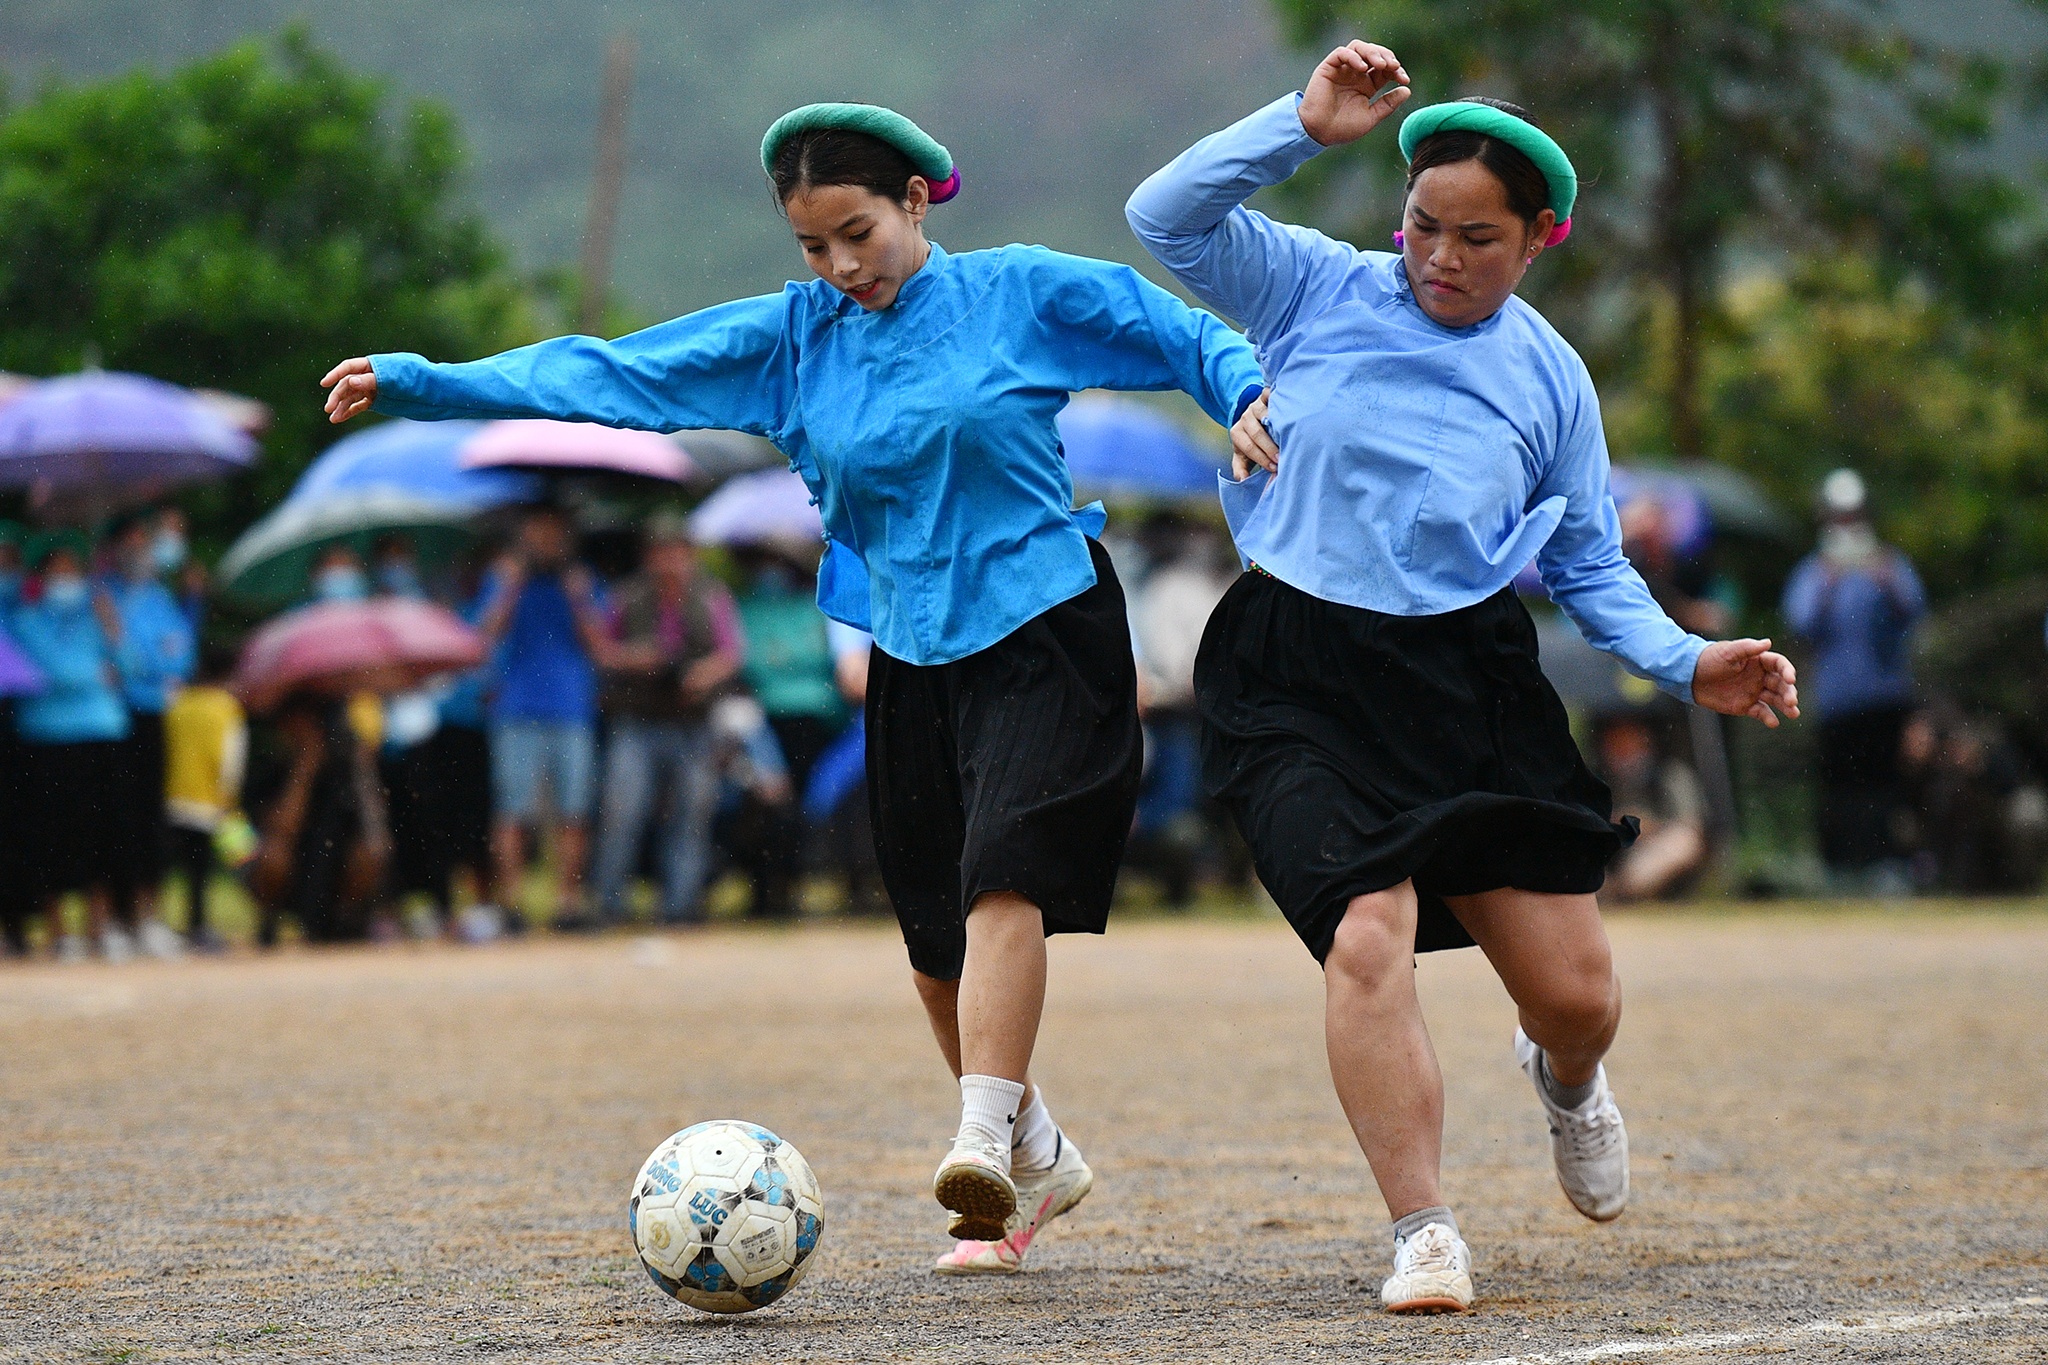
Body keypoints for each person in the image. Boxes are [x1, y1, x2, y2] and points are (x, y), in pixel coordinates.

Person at [321, 99, 1264, 1276]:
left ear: (914, 201)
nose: (841, 266)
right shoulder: (790, 340)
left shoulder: (1015, 294)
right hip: (909, 648)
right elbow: (610, 372)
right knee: (931, 943)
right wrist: (425, 381)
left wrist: (1242, 392)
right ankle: (1038, 1152)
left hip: (1045, 627)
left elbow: (1174, 331)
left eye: (858, 234)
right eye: (814, 246)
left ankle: (979, 1141)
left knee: (1001, 873)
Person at [1129, 41, 1798, 1313]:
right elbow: (1165, 217)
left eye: (1476, 238)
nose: (1437, 257)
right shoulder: (1312, 288)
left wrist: (1684, 660)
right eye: (1422, 225)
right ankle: (1422, 1230)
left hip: (1463, 680)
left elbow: (1588, 566)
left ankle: (1565, 1080)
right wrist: (1298, 124)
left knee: (1576, 998)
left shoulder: (1549, 382)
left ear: (1537, 240)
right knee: (1364, 935)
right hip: (1292, 665)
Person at [590, 512, 744, 926]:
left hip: (693, 720)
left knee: (692, 815)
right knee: (623, 811)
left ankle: (681, 905)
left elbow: (731, 654)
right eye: (662, 553)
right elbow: (603, 651)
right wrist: (639, 659)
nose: (670, 562)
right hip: (638, 719)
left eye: (677, 553)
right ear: (649, 556)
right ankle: (609, 904)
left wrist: (702, 675)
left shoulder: (711, 597)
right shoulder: (627, 598)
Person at [1782, 468, 1925, 888]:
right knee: (1840, 788)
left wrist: (1885, 579)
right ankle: (1841, 870)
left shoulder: (1889, 564)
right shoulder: (1814, 571)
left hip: (1885, 697)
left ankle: (1887, 866)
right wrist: (1829, 582)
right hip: (1836, 703)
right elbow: (1800, 622)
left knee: (1885, 786)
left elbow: (1914, 613)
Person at [470, 506, 611, 930]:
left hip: (571, 709)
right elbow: (485, 636)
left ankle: (568, 904)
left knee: (574, 812)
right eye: (537, 534)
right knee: (512, 812)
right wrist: (509, 588)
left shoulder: (583, 581)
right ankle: (511, 904)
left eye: (553, 534)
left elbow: (601, 647)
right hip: (516, 709)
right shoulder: (506, 579)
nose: (545, 543)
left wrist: (579, 597)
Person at [11, 535, 131, 960]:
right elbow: (52, 673)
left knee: (103, 834)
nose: (66, 578)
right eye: (57, 570)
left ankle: (99, 927)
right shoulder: (25, 621)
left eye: (72, 569)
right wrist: (97, 675)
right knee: (52, 836)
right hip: (47, 740)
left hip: (102, 734)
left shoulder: (97, 615)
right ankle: (60, 930)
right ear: (41, 576)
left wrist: (113, 630)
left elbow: (130, 668)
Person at [101, 510, 198, 957]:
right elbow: (109, 660)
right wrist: (137, 661)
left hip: (152, 716)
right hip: (111, 720)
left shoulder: (159, 597)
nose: (141, 548)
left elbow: (178, 658)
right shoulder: (102, 595)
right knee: (114, 820)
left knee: (151, 817)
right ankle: (116, 920)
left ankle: (148, 916)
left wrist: (131, 659)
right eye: (133, 540)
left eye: (145, 539)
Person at [163, 641, 247, 950]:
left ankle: (161, 925)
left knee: (171, 869)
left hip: (172, 798)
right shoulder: (226, 707)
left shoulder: (179, 703)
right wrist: (230, 799)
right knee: (205, 870)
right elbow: (230, 760)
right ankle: (198, 926)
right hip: (209, 803)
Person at [1592, 711, 1708, 901]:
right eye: (1615, 743)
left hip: (1652, 853)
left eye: (1628, 742)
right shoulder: (1597, 777)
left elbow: (1692, 828)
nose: (1622, 750)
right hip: (1610, 857)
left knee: (1682, 840)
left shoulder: (1670, 775)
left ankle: (1622, 891)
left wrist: (1645, 826)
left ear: (1646, 742)